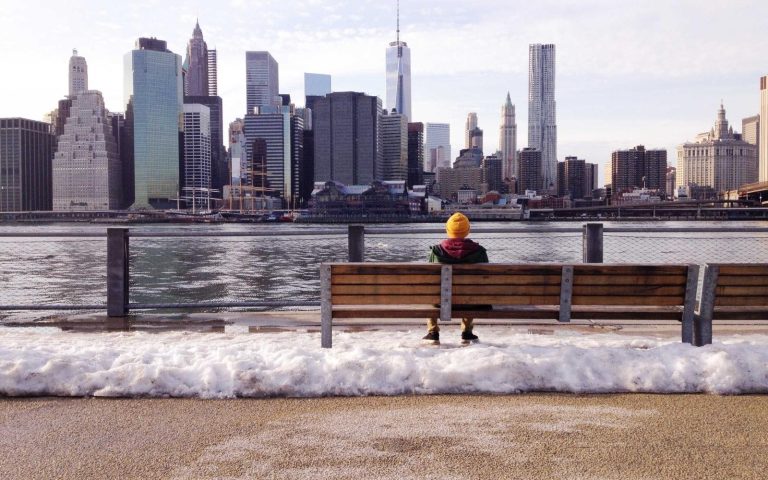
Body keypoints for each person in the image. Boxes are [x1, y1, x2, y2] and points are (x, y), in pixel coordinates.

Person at [424, 212, 488, 345]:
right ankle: (467, 332)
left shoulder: (436, 251)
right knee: (472, 291)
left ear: (448, 230)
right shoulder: (479, 251)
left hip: (440, 302)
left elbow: (429, 279)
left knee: (431, 293)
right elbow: (485, 279)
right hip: (470, 302)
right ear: (468, 230)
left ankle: (433, 332)